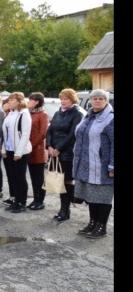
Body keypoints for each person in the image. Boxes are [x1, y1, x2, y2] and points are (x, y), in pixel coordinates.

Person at [72, 89, 114, 239]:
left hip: (102, 167)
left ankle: (101, 227)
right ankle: (93, 223)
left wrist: (112, 166)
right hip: (86, 165)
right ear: (90, 100)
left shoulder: (111, 118)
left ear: (106, 101)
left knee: (102, 197)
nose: (97, 101)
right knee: (91, 196)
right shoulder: (88, 116)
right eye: (95, 98)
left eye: (101, 98)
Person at [46, 88, 84, 222]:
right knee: (59, 181)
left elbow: (73, 134)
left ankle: (65, 209)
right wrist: (49, 146)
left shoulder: (77, 114)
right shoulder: (57, 113)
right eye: (61, 99)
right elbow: (50, 131)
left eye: (66, 99)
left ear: (72, 100)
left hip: (67, 153)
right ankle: (63, 209)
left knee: (67, 180)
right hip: (54, 152)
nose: (63, 101)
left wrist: (59, 148)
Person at [1, 92, 32, 214]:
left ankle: (22, 202)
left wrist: (18, 152)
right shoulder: (10, 114)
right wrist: (4, 149)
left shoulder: (24, 114)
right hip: (9, 149)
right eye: (9, 100)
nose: (9, 102)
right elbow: (6, 134)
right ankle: (16, 200)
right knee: (12, 176)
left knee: (20, 177)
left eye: (12, 100)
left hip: (20, 151)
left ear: (19, 102)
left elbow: (25, 135)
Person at [27, 92, 48, 210]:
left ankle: (40, 200)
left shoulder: (43, 115)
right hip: (29, 150)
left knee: (39, 177)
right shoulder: (29, 113)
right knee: (33, 176)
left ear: (37, 102)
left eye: (31, 100)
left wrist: (31, 144)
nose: (28, 102)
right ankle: (35, 199)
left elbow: (42, 133)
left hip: (38, 150)